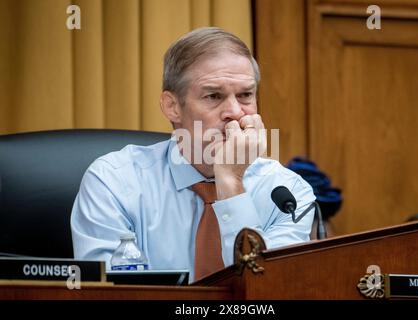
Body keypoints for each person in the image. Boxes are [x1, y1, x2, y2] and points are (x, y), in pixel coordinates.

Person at [71, 27, 316, 282]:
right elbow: (106, 295)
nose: (234, 111)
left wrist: (230, 184)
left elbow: (267, 289)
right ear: (172, 106)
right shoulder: (114, 182)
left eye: (245, 95)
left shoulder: (288, 193)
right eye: (213, 96)